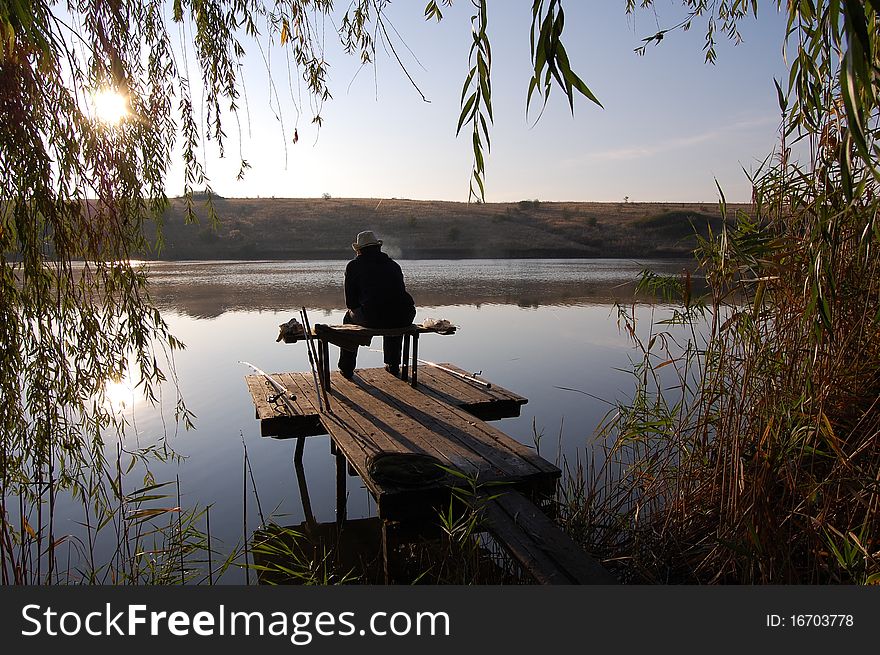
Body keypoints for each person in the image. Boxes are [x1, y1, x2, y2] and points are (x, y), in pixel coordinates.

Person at [337, 230, 416, 379]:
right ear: (378, 247)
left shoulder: (353, 266)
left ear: (359, 250)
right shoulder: (394, 265)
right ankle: (393, 364)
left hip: (375, 318)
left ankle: (346, 368)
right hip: (405, 316)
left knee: (348, 318)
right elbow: (398, 295)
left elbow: (351, 303)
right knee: (393, 312)